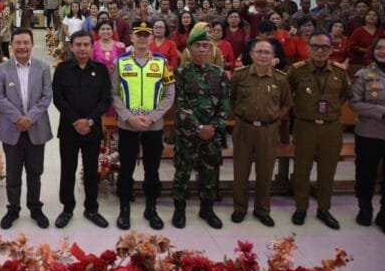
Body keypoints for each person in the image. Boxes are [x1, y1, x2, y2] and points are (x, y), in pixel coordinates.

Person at [111, 20, 175, 230]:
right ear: (131, 37)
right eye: (138, 34)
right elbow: (113, 94)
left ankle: (151, 208)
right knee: (126, 169)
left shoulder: (162, 62)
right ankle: (124, 209)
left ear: (150, 37)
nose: (142, 38)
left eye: (146, 34)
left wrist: (153, 117)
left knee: (152, 170)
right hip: (127, 125)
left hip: (153, 126)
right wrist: (129, 117)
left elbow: (169, 94)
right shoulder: (120, 62)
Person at [286, 31, 350, 229]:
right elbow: (287, 94)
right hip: (305, 126)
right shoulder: (297, 70)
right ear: (308, 48)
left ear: (331, 49)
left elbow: (343, 96)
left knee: (327, 171)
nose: (320, 51)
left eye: (324, 47)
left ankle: (324, 209)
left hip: (331, 127)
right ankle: (301, 208)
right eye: (315, 46)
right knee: (301, 170)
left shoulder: (340, 72)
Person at [0, 27, 53, 230]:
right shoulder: (3, 69)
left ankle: (35, 207)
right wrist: (19, 118)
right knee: (13, 172)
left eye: (26, 42)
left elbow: (47, 97)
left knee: (35, 172)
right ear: (11, 46)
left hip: (36, 128)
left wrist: (31, 118)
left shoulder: (43, 68)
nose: (22, 46)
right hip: (12, 128)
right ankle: (13, 208)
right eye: (17, 43)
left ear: (32, 45)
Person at [230, 39, 293, 227]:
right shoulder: (240, 76)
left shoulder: (280, 79)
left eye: (267, 52)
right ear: (251, 54)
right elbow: (231, 100)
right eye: (260, 52)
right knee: (241, 171)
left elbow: (286, 104)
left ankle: (262, 209)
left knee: (265, 172)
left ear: (273, 56)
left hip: (268, 130)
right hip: (244, 128)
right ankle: (240, 208)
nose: (263, 56)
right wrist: (241, 116)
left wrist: (274, 119)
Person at [52, 31, 111, 229]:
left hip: (92, 130)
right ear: (71, 47)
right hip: (69, 129)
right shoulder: (62, 69)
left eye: (86, 44)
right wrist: (76, 120)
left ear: (91, 46)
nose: (82, 48)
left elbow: (105, 99)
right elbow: (58, 98)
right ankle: (67, 208)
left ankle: (91, 208)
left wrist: (91, 121)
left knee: (91, 170)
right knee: (68, 169)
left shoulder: (101, 70)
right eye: (78, 45)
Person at [171, 29, 230, 229]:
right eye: (198, 46)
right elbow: (180, 104)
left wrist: (213, 127)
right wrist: (198, 127)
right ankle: (179, 209)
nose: (202, 50)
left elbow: (224, 105)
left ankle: (207, 209)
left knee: (210, 171)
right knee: (183, 170)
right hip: (187, 133)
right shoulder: (180, 73)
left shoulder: (219, 73)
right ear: (189, 48)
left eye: (206, 46)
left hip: (212, 134)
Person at [350, 35, 385, 232]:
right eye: (379, 47)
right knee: (365, 173)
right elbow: (354, 103)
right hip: (369, 133)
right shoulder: (364, 74)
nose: (383, 51)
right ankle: (365, 208)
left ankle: (383, 214)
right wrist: (381, 112)